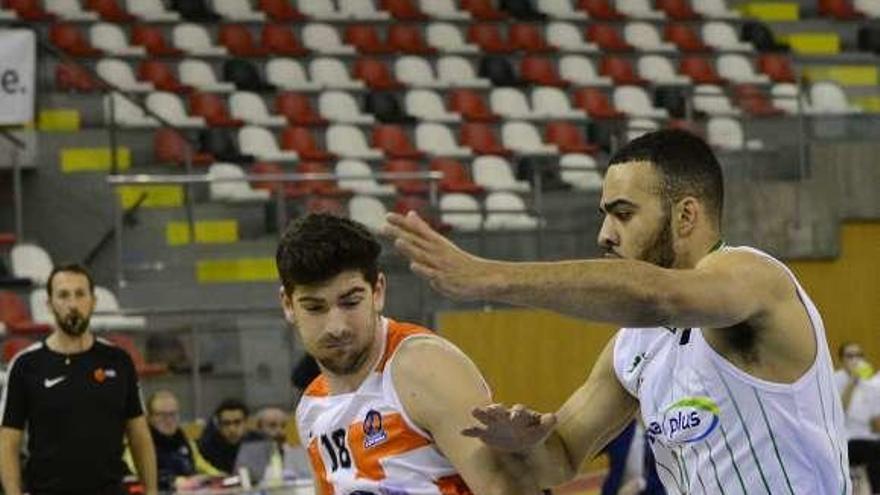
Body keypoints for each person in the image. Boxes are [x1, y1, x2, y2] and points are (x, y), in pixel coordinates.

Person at [383, 129, 851, 494]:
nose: (605, 235)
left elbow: (660, 295)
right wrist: (528, 444)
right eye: (605, 214)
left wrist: (489, 278)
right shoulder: (634, 345)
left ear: (685, 216)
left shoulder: (754, 277)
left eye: (623, 214)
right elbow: (562, 459)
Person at [276, 214, 538, 494]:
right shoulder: (311, 407)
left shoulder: (422, 368)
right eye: (315, 308)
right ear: (288, 305)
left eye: (351, 302)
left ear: (377, 292)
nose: (336, 327)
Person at [0, 263, 158, 495]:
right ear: (49, 303)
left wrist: (152, 491)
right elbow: (8, 442)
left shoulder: (119, 360)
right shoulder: (25, 365)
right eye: (63, 295)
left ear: (93, 301)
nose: (72, 304)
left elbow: (139, 435)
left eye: (80, 294)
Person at [143, 390, 221, 490]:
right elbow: (137, 475)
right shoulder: (140, 444)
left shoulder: (185, 441)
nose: (168, 420)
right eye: (161, 415)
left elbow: (203, 466)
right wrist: (171, 481)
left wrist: (221, 477)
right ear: (149, 417)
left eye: (173, 414)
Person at [834, 342, 880, 493]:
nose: (855, 360)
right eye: (850, 356)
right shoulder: (835, 380)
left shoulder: (870, 382)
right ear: (842, 360)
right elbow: (839, 414)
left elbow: (874, 423)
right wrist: (852, 383)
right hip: (845, 439)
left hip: (868, 437)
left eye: (859, 355)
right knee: (876, 449)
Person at [235, 406, 311, 483]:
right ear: (259, 428)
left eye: (283, 426)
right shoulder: (248, 456)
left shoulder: (297, 453)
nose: (280, 431)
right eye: (272, 426)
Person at [197, 398, 262, 474]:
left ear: (247, 423)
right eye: (226, 423)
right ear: (219, 426)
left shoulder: (259, 442)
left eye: (237, 422)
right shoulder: (206, 447)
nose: (232, 429)